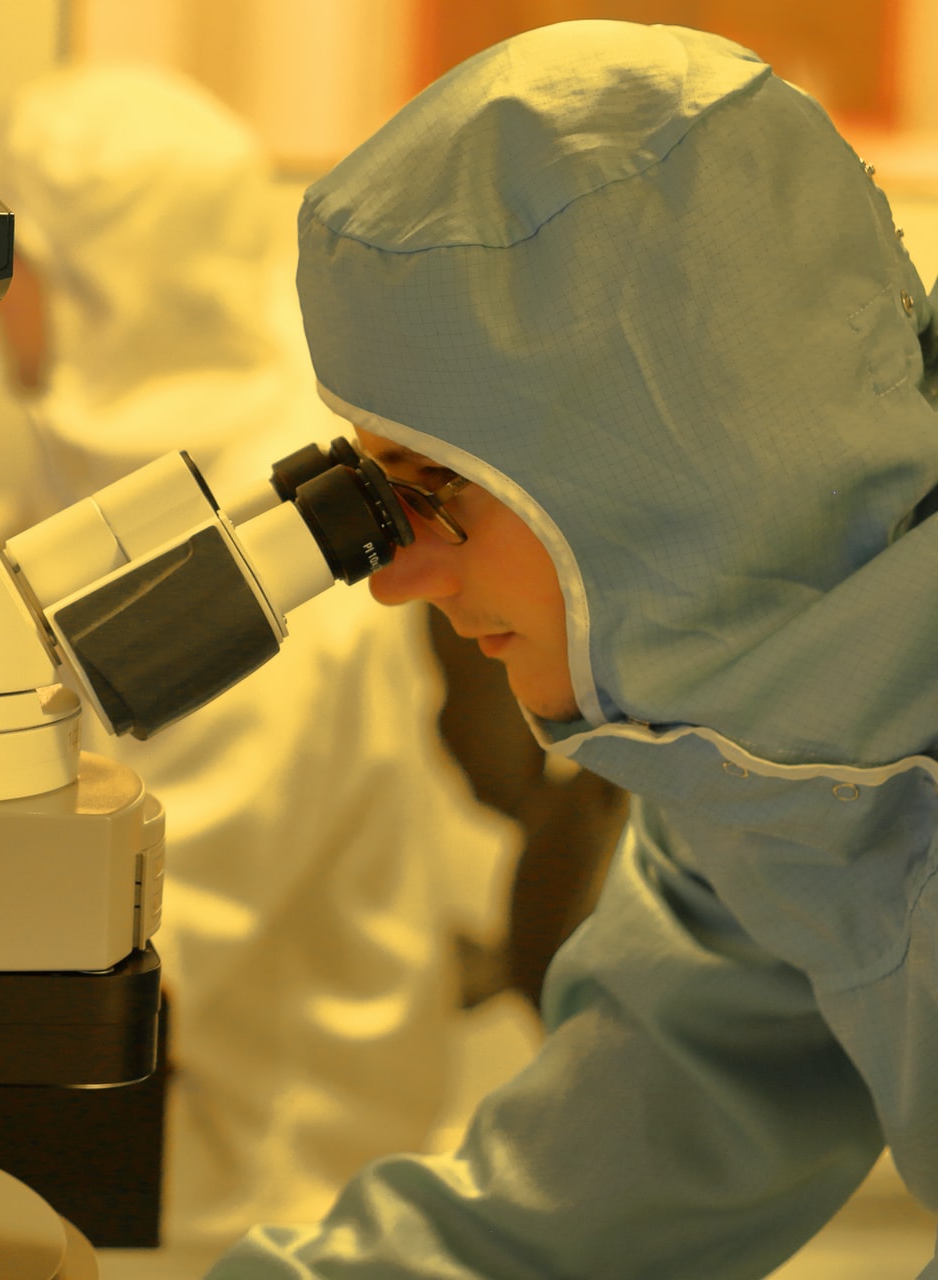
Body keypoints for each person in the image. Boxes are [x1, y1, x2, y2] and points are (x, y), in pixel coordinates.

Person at [211, 19, 938, 1279]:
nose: (397, 579)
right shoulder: (771, 763)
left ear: (679, 456)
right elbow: (597, 1178)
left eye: (437, 486)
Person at [0, 64, 517, 1246]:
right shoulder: (115, 457)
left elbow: (131, 948)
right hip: (151, 1149)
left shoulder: (263, 550)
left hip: (255, 1192)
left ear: (93, 276)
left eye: (12, 256)